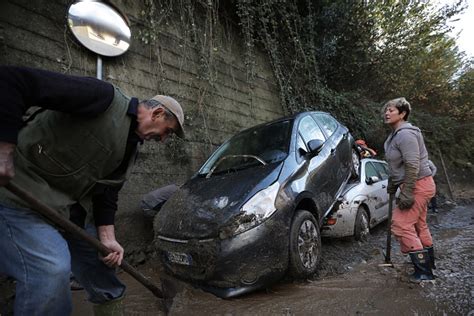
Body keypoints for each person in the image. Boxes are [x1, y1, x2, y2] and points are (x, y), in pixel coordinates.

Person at [0, 66, 185, 315]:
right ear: (158, 113)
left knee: (104, 268)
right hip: (17, 198)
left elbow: (107, 193)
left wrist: (107, 238)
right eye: (168, 132)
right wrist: (4, 150)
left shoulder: (130, 148)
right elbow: (13, 79)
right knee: (52, 270)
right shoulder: (102, 98)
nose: (163, 140)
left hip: (66, 209)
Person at [383, 97, 436, 282]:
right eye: (386, 110)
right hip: (418, 183)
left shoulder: (405, 134)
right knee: (419, 224)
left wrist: (407, 191)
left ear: (403, 113)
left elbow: (412, 164)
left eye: (391, 110)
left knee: (401, 225)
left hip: (417, 184)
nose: (387, 113)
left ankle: (423, 272)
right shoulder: (396, 134)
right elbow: (398, 165)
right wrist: (394, 182)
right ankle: (429, 263)